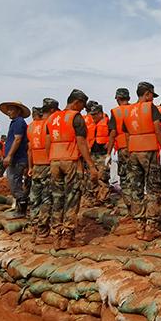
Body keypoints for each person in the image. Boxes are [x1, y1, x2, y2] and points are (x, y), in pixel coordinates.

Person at [46, 89, 98, 249]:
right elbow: (81, 143)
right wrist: (90, 164)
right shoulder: (76, 117)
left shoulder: (52, 118)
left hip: (54, 161)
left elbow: (48, 141)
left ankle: (56, 237)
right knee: (72, 198)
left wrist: (51, 158)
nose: (83, 110)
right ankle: (67, 237)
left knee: (57, 198)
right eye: (82, 106)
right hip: (70, 161)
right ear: (77, 102)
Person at [122, 82, 161, 241]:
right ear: (147, 94)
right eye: (151, 95)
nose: (152, 99)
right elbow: (158, 130)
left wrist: (130, 151)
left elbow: (127, 134)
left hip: (133, 152)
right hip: (149, 152)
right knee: (152, 189)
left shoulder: (128, 111)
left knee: (136, 190)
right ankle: (151, 229)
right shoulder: (150, 108)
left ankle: (139, 229)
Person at [27, 101, 56, 243]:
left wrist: (30, 167)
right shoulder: (48, 125)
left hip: (36, 166)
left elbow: (29, 149)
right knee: (47, 198)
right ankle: (43, 233)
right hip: (46, 165)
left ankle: (34, 229)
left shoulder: (30, 127)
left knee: (35, 198)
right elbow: (48, 144)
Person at [0, 101, 30, 218]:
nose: (8, 112)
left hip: (17, 159)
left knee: (15, 185)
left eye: (11, 109)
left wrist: (9, 155)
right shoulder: (15, 122)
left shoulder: (18, 122)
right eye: (8, 110)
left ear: (18, 111)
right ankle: (19, 208)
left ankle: (21, 211)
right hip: (16, 159)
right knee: (14, 184)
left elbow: (17, 140)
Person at [107, 88, 132, 215]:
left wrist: (108, 153)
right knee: (137, 177)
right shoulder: (135, 109)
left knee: (125, 178)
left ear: (117, 98)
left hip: (123, 149)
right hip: (137, 148)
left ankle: (130, 209)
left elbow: (112, 134)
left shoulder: (116, 112)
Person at [86, 103, 110, 205]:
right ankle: (94, 198)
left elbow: (114, 135)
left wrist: (109, 145)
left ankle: (103, 199)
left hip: (103, 155)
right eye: (92, 114)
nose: (93, 116)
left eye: (95, 114)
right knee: (92, 177)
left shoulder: (107, 122)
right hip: (92, 154)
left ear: (100, 113)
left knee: (103, 177)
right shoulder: (90, 124)